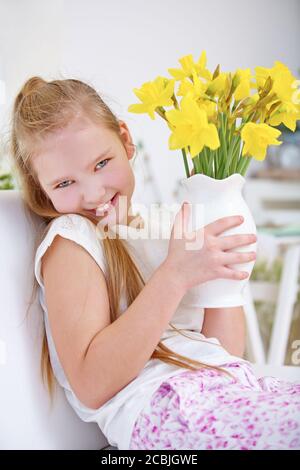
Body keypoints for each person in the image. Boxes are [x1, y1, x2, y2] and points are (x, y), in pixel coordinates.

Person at [8, 76, 300, 450]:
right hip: (169, 407)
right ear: (41, 189)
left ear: (126, 140)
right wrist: (174, 276)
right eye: (65, 184)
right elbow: (93, 386)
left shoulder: (166, 226)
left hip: (227, 386)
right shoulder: (73, 239)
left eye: (101, 163)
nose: (93, 193)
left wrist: (225, 284)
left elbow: (224, 353)